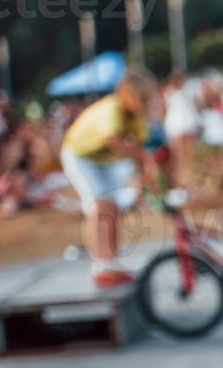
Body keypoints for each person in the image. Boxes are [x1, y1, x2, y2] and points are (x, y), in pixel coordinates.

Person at [59, 68, 159, 288]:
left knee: (113, 208)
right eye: (139, 98)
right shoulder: (111, 108)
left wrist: (142, 185)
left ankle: (110, 262)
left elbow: (139, 156)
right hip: (79, 155)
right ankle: (100, 265)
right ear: (126, 94)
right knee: (100, 206)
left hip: (103, 161)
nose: (141, 104)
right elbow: (113, 139)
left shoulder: (136, 118)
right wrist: (141, 156)